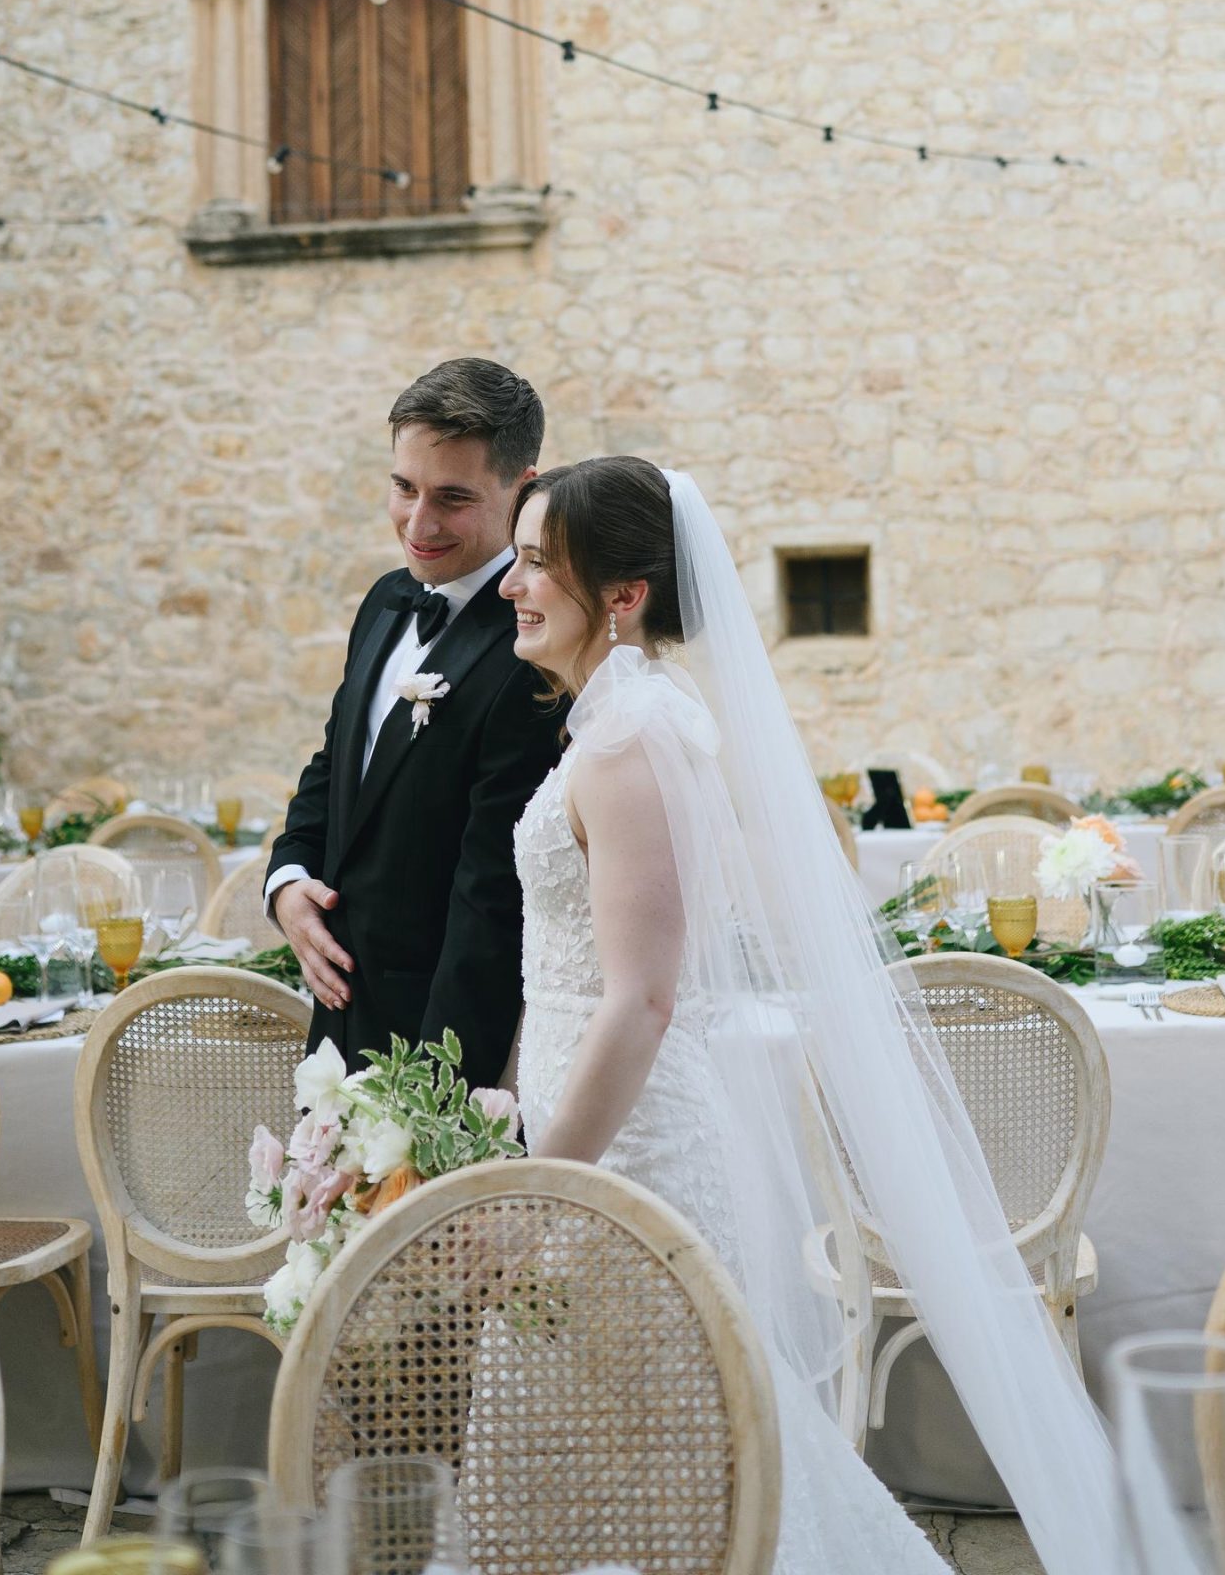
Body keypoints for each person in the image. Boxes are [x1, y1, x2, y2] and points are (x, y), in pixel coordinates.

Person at [502, 458, 1123, 1575]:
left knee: (679, 1461)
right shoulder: (618, 724)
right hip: (585, 1142)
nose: (512, 581)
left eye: (539, 559)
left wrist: (539, 1182)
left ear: (626, 593)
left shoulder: (631, 738)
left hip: (623, 1157)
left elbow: (639, 1001)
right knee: (613, 1461)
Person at [265, 359, 564, 1082]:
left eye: (452, 499)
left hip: (441, 1041)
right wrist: (288, 882)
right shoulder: (384, 599)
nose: (418, 523)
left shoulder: (537, 645)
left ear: (522, 487)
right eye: (403, 488)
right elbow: (338, 763)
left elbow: (490, 895)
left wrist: (432, 1100)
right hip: (339, 1026)